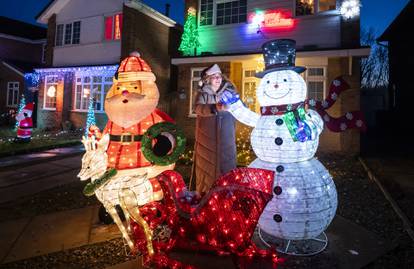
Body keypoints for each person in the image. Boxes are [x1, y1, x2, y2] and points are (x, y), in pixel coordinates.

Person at [193, 64, 238, 194]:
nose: (218, 79)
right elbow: (197, 109)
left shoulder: (229, 93)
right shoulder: (203, 94)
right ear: (208, 80)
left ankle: (226, 195)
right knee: (207, 168)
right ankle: (206, 196)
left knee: (227, 165)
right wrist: (214, 108)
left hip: (226, 137)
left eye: (219, 76)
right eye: (214, 77)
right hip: (207, 138)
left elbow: (239, 107)